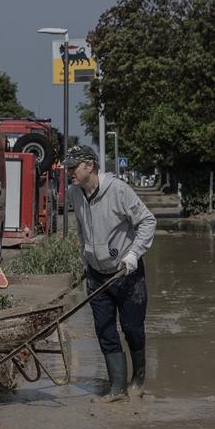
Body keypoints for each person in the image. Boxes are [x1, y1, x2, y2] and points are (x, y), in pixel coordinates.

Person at [62, 144, 156, 403]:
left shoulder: (118, 191)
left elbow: (148, 221)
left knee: (132, 328)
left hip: (126, 273)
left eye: (73, 167)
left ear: (89, 166)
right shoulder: (74, 192)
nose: (69, 172)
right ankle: (117, 388)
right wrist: (85, 256)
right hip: (96, 275)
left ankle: (138, 378)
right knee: (104, 330)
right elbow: (81, 227)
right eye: (68, 168)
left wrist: (134, 254)